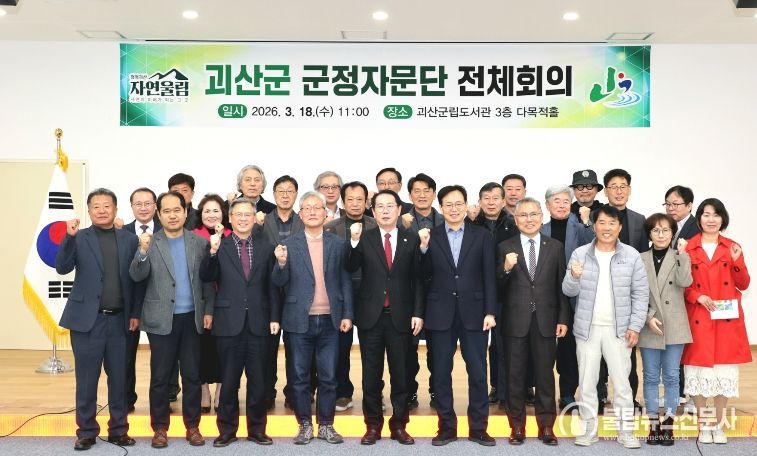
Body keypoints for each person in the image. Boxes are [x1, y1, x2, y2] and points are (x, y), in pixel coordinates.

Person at [56, 188, 139, 451]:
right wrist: (68, 237)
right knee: (87, 380)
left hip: (120, 321)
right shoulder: (79, 237)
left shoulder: (130, 240)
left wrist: (135, 313)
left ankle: (119, 430)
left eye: (107, 206)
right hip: (86, 323)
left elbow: (137, 281)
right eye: (96, 206)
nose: (102, 210)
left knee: (120, 379)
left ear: (115, 209)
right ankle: (86, 431)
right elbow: (62, 267)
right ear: (89, 210)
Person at [129, 191, 212, 448]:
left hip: (192, 319)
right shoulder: (149, 242)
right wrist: (142, 252)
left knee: (192, 376)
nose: (172, 215)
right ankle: (160, 428)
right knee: (160, 377)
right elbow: (137, 276)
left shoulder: (199, 243)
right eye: (166, 211)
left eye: (177, 210)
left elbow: (207, 281)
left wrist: (208, 311)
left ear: (186, 212)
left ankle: (193, 427)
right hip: (161, 319)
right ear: (158, 214)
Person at [562, 204, 649, 449]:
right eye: (601, 223)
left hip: (619, 331)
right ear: (594, 226)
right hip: (587, 330)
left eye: (612, 223)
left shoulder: (631, 255)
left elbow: (641, 294)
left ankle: (626, 431)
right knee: (587, 383)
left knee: (622, 384)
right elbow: (568, 290)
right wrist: (574, 276)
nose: (607, 228)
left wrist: (635, 326)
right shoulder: (580, 254)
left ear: (619, 227)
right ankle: (588, 430)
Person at [272, 191, 354, 445]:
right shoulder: (288, 245)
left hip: (331, 319)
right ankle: (305, 425)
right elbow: (278, 282)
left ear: (325, 213)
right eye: (307, 208)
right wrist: (281, 264)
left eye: (317, 207)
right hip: (299, 319)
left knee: (329, 376)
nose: (312, 212)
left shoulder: (338, 244)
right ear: (300, 214)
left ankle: (326, 425)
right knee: (299, 377)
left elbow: (345, 281)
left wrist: (347, 313)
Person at [420, 185, 497, 447]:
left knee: (478, 372)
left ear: (466, 205)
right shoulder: (431, 235)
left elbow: (489, 275)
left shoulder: (482, 235)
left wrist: (490, 311)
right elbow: (422, 275)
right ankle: (446, 427)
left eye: (458, 204)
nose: (454, 209)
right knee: (441, 373)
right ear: (441, 208)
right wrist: (423, 249)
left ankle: (479, 428)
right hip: (439, 312)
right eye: (448, 205)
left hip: (475, 313)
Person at [199, 197, 280, 448]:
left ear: (255, 218)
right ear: (230, 219)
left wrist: (275, 317)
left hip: (259, 322)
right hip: (228, 322)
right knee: (229, 381)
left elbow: (273, 287)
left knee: (258, 381)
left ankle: (257, 430)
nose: (243, 219)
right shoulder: (218, 245)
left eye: (248, 215)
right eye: (238, 215)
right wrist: (212, 253)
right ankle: (226, 430)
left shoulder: (266, 247)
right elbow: (206, 276)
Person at [346, 189, 424, 445]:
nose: (386, 210)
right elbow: (350, 266)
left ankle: (399, 425)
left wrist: (418, 313)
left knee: (401, 375)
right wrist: (353, 241)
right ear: (373, 211)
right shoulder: (364, 238)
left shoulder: (411, 238)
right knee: (371, 376)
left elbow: (419, 279)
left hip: (401, 317)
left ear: (399, 209)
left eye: (391, 205)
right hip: (371, 317)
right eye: (380, 206)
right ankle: (372, 426)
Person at [498, 197, 569, 446]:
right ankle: (517, 426)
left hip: (546, 321)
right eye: (523, 215)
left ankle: (546, 426)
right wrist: (506, 269)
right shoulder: (504, 246)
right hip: (514, 321)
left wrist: (562, 318)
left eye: (533, 214)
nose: (529, 220)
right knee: (514, 376)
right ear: (515, 219)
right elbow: (496, 287)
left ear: (541, 217)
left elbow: (561, 286)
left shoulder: (555, 247)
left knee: (545, 376)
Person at [682, 198, 750, 445]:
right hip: (699, 316)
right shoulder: (688, 248)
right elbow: (681, 284)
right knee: (698, 373)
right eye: (706, 214)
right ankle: (704, 425)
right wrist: (696, 296)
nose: (711, 219)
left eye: (716, 215)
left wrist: (737, 261)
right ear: (699, 218)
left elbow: (744, 284)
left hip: (725, 320)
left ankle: (718, 425)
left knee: (723, 375)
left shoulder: (732, 247)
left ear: (723, 218)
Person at [637, 213, 692, 446]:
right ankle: (653, 424)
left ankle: (668, 424)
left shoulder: (679, 256)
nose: (661, 235)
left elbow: (685, 282)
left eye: (666, 230)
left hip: (674, 325)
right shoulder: (640, 259)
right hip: (649, 325)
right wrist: (648, 317)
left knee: (671, 376)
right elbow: (635, 293)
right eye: (656, 230)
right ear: (649, 234)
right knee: (650, 377)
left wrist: (683, 255)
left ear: (672, 234)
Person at [540, 185, 594, 411]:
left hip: (575, 296)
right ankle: (542, 393)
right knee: (543, 347)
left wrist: (587, 222)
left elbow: (594, 245)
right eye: (556, 201)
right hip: (546, 295)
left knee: (569, 348)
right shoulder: (541, 229)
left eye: (565, 201)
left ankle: (567, 393)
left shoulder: (581, 227)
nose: (561, 205)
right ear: (547, 205)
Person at [324, 181, 377, 412]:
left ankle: (374, 394)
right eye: (350, 199)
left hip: (370, 294)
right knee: (340, 347)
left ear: (366, 202)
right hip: (339, 294)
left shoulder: (376, 225)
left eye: (360, 199)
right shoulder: (330, 227)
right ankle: (342, 392)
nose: (355, 204)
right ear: (343, 202)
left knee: (372, 349)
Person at [466, 182, 517, 407]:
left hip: (506, 293)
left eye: (496, 198)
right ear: (479, 201)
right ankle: (486, 391)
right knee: (478, 348)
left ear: (504, 201)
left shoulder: (513, 225)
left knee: (504, 346)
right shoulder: (470, 224)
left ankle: (504, 392)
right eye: (486, 198)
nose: (491, 202)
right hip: (477, 294)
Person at [259, 175, 308, 410]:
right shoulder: (261, 222)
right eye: (281, 191)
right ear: (274, 194)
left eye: (290, 191)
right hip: (267, 291)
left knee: (296, 348)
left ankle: (294, 393)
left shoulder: (304, 220)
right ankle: (267, 392)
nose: (285, 195)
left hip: (296, 291)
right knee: (267, 348)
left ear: (296, 194)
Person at [601, 168, 647, 409]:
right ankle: (600, 395)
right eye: (613, 187)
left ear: (629, 189)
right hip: (601, 292)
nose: (618, 191)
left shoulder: (639, 220)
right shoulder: (596, 217)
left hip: (627, 294)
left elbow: (644, 257)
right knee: (598, 352)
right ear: (605, 191)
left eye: (623, 186)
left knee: (628, 349)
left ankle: (630, 398)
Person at [402, 172, 442, 409]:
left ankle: (437, 391)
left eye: (427, 190)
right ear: (410, 195)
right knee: (408, 348)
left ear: (434, 194)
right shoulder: (401, 221)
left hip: (439, 293)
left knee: (438, 349)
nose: (422, 195)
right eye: (417, 191)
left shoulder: (446, 220)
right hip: (408, 293)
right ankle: (409, 392)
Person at [121, 187, 162, 413]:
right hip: (130, 304)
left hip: (160, 302)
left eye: (148, 203)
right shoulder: (122, 232)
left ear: (155, 206)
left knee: (163, 357)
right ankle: (126, 399)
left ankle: (164, 398)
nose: (144, 208)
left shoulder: (167, 231)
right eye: (138, 204)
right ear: (131, 206)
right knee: (126, 356)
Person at [192, 194, 230, 414]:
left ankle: (221, 390)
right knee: (201, 349)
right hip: (201, 300)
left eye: (216, 210)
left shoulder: (232, 236)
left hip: (226, 301)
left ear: (223, 214)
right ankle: (204, 390)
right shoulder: (193, 237)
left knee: (224, 349)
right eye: (207, 211)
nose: (211, 215)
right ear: (201, 214)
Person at [663, 185, 699, 410]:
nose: (671, 208)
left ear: (689, 206)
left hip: (691, 296)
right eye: (667, 204)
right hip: (674, 297)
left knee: (690, 350)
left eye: (675, 204)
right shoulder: (669, 227)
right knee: (675, 348)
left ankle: (692, 396)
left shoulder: (696, 229)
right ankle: (677, 393)